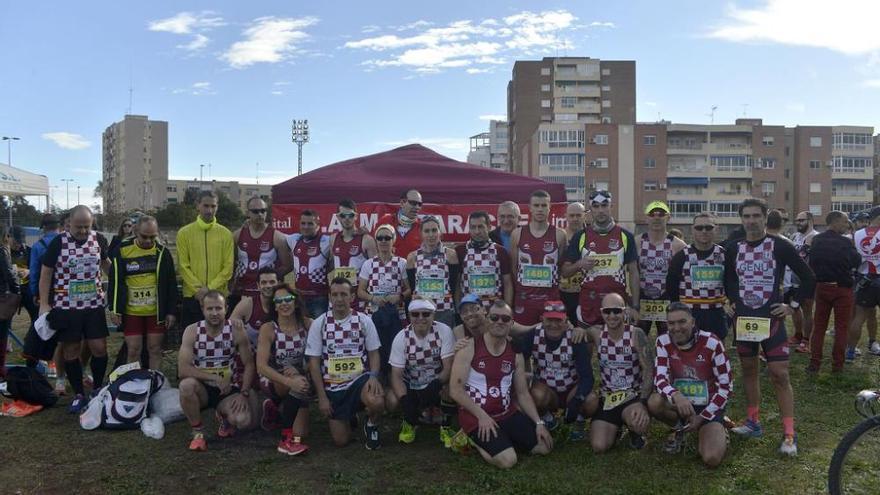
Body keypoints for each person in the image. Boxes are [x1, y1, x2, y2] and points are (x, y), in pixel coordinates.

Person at [724, 198, 814, 456]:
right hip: (744, 320)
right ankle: (753, 422)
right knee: (749, 371)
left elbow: (808, 276)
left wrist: (791, 306)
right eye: (746, 216)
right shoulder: (733, 247)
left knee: (780, 375)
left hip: (771, 319)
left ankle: (789, 434)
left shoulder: (780, 246)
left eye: (756, 216)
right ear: (741, 219)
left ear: (765, 217)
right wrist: (731, 301)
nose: (751, 221)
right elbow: (730, 279)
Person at [449, 300, 553, 468]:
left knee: (544, 447)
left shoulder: (515, 352)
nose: (499, 322)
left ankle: (502, 439)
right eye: (494, 317)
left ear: (511, 323)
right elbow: (455, 391)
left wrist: (538, 423)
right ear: (487, 319)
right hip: (476, 416)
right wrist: (482, 416)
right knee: (508, 461)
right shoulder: (468, 347)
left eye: (505, 319)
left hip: (506, 413)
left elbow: (522, 393)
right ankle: (470, 438)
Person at [38, 206, 111, 413]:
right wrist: (44, 303)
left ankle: (97, 389)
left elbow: (106, 264)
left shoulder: (98, 239)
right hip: (66, 307)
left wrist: (119, 277)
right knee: (71, 350)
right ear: (68, 223)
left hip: (94, 305)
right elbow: (46, 274)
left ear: (92, 223)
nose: (82, 231)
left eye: (86, 227)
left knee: (99, 348)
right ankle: (78, 393)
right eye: (78, 227)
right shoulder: (58, 242)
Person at [648, 302, 731, 467]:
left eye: (682, 322)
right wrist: (676, 395)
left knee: (711, 458)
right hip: (681, 405)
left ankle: (718, 429)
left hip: (708, 407)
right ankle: (681, 429)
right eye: (671, 323)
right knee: (654, 402)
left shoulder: (712, 343)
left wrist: (703, 417)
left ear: (693, 322)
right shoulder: (663, 341)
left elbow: (726, 388)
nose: (676, 328)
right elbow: (660, 379)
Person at [306, 278, 385, 449]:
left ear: (352, 297)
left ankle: (371, 425)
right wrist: (322, 397)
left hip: (359, 381)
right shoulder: (320, 323)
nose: (339, 299)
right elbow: (313, 363)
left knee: (377, 400)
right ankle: (350, 416)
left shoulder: (363, 320)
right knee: (341, 441)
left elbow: (374, 353)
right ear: (329, 297)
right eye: (335, 295)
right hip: (334, 387)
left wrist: (373, 377)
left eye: (344, 294)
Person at [177, 291, 255, 451]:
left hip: (227, 390)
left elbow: (249, 364)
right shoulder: (192, 331)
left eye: (218, 308)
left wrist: (244, 392)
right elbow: (183, 369)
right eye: (210, 309)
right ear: (202, 309)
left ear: (226, 308)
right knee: (185, 386)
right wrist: (213, 377)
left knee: (242, 421)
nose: (214, 313)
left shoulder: (236, 331)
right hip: (202, 389)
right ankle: (198, 433)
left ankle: (225, 417)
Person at [582, 293, 653, 452]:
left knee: (639, 424)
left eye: (617, 311)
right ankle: (617, 428)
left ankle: (634, 430)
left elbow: (649, 369)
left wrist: (643, 403)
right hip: (607, 397)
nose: (612, 316)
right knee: (599, 447)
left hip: (631, 396)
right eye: (607, 311)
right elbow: (576, 338)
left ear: (624, 311)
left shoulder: (635, 333)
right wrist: (576, 330)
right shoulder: (596, 333)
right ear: (601, 312)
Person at [107, 215, 178, 369]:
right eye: (144, 236)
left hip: (155, 312)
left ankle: (154, 384)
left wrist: (171, 311)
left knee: (155, 349)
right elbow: (115, 281)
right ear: (136, 231)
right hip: (132, 311)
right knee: (133, 350)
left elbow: (171, 283)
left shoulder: (162, 252)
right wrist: (114, 309)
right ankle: (134, 386)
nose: (148, 241)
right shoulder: (123, 249)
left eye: (153, 237)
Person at [515, 300, 593, 440]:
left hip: (571, 388)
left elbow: (587, 377)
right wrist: (524, 376)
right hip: (547, 390)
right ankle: (548, 418)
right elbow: (518, 357)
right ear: (542, 319)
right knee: (536, 396)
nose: (554, 325)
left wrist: (576, 401)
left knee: (591, 400)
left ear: (566, 320)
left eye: (558, 320)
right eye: (549, 320)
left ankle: (578, 424)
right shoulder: (533, 335)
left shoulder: (575, 337)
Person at [561, 190, 639, 328]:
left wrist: (635, 306)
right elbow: (565, 271)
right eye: (596, 206)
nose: (600, 210)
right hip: (589, 303)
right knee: (588, 344)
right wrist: (579, 264)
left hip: (616, 304)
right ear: (590, 210)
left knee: (616, 345)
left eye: (604, 205)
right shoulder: (580, 236)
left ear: (611, 207)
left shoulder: (625, 236)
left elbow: (633, 272)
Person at [387, 298, 456, 444]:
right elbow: (396, 375)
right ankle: (409, 421)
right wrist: (405, 400)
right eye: (415, 314)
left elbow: (449, 366)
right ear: (409, 316)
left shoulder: (444, 330)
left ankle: (446, 425)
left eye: (426, 314)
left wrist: (436, 384)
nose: (420, 318)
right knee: (393, 400)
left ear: (433, 315)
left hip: (437, 382)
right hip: (411, 383)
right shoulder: (401, 337)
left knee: (452, 388)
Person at [256, 283, 312, 455]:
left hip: (299, 376)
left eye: (288, 299)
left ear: (295, 302)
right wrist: (288, 380)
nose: (284, 303)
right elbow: (261, 366)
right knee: (297, 383)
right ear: (274, 305)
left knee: (301, 433)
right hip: (274, 378)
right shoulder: (269, 329)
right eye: (279, 300)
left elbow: (319, 356)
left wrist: (302, 369)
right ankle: (285, 440)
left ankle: (275, 408)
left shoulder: (308, 324)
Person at [808, 211, 861, 373]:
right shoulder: (845, 243)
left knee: (819, 327)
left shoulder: (816, 240)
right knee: (841, 327)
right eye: (845, 222)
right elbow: (856, 261)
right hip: (842, 289)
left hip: (822, 287)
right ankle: (837, 365)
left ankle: (814, 363)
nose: (847, 225)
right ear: (836, 222)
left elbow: (812, 263)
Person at [666, 212, 731, 340]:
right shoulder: (682, 256)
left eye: (709, 227)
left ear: (716, 229)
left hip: (716, 314)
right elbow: (671, 285)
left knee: (715, 352)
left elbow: (731, 282)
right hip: (690, 314)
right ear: (693, 229)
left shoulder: (723, 255)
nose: (704, 231)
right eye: (699, 228)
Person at [357, 224, 410, 375]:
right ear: (376, 240)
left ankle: (395, 378)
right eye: (380, 238)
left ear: (393, 240)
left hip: (396, 313)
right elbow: (360, 291)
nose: (383, 241)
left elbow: (409, 289)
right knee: (376, 347)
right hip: (374, 312)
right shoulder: (368, 264)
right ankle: (377, 378)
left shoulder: (402, 263)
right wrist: (373, 298)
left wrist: (399, 296)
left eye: (387, 238)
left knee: (395, 347)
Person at [177, 191, 235, 328]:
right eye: (206, 206)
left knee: (220, 340)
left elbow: (228, 267)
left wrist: (209, 289)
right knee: (192, 341)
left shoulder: (226, 234)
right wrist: (199, 290)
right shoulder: (184, 233)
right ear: (198, 206)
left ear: (217, 207)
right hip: (193, 296)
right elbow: (183, 266)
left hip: (219, 297)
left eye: (213, 206)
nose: (210, 210)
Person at [510, 190, 568, 325]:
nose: (540, 209)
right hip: (524, 299)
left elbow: (560, 267)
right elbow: (513, 267)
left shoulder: (560, 235)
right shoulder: (517, 234)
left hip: (550, 298)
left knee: (550, 337)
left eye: (543, 205)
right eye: (536, 206)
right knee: (523, 339)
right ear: (530, 208)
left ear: (549, 207)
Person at [231, 196, 291, 309]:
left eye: (263, 211)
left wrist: (270, 280)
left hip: (267, 293)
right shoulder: (238, 235)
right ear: (248, 212)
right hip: (242, 291)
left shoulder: (277, 236)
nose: (260, 214)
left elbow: (288, 265)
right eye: (255, 211)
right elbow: (231, 263)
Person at [636, 201, 686, 336]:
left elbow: (685, 277)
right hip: (642, 298)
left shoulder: (678, 245)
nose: (656, 217)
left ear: (668, 217)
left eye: (661, 214)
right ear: (646, 218)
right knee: (638, 338)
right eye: (652, 214)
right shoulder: (637, 241)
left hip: (667, 298)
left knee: (669, 338)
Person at [407, 216, 460, 328]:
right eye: (427, 231)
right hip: (422, 311)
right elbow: (412, 288)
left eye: (434, 230)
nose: (431, 235)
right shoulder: (412, 257)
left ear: (440, 232)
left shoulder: (450, 255)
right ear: (421, 234)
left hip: (444, 309)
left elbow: (455, 286)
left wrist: (457, 311)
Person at [455, 210, 512, 310]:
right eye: (473, 227)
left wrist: (507, 309)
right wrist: (458, 310)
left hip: (494, 311)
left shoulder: (500, 251)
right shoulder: (460, 251)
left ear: (489, 227)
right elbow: (457, 285)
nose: (477, 231)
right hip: (470, 311)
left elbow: (507, 283)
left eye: (480, 227)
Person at [329, 199, 377, 311]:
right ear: (338, 217)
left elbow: (375, 272)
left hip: (358, 298)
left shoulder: (366, 240)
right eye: (343, 215)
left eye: (350, 215)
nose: (346, 218)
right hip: (339, 297)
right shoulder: (333, 238)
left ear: (356, 216)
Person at [848, 206, 880, 360]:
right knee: (865, 315)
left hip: (863, 279)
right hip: (874, 278)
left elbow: (853, 257)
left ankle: (851, 351)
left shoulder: (856, 234)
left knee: (860, 316)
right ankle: (871, 343)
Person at [783, 211, 818, 354]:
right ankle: (797, 335)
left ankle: (806, 340)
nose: (798, 223)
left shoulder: (815, 237)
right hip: (792, 279)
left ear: (810, 220)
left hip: (807, 280)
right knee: (794, 309)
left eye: (801, 220)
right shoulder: (795, 236)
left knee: (807, 310)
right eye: (797, 220)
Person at [287, 209, 331, 318]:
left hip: (319, 298)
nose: (306, 227)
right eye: (303, 223)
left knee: (318, 329)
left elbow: (345, 238)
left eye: (310, 223)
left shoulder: (326, 241)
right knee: (302, 329)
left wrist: (359, 232)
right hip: (299, 297)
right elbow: (275, 234)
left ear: (318, 225)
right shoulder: (294, 239)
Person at [231, 267, 279, 350]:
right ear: (258, 285)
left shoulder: (285, 304)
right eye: (264, 282)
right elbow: (229, 328)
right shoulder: (247, 304)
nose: (268, 286)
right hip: (251, 355)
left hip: (277, 357)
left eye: (272, 282)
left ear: (279, 283)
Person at [560, 203, 587, 325]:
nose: (575, 219)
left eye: (578, 215)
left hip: (585, 292)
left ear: (584, 216)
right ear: (566, 216)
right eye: (572, 215)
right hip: (563, 293)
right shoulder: (560, 236)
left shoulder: (591, 236)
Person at [376, 189, 423, 258]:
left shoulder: (423, 226)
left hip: (414, 267)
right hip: (389, 266)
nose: (417, 207)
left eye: (419, 204)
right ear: (402, 203)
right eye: (413, 203)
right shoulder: (385, 221)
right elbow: (373, 245)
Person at [0, 225, 20, 379]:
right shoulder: (2, 250)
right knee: (2, 334)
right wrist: (17, 291)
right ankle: (1, 368)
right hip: (2, 296)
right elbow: (8, 273)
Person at [9, 226, 36, 324]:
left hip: (26, 288)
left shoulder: (28, 250)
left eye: (20, 242)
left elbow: (37, 268)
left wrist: (28, 271)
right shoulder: (3, 252)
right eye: (15, 242)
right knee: (5, 320)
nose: (18, 245)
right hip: (9, 291)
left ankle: (32, 338)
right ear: (8, 237)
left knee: (36, 316)